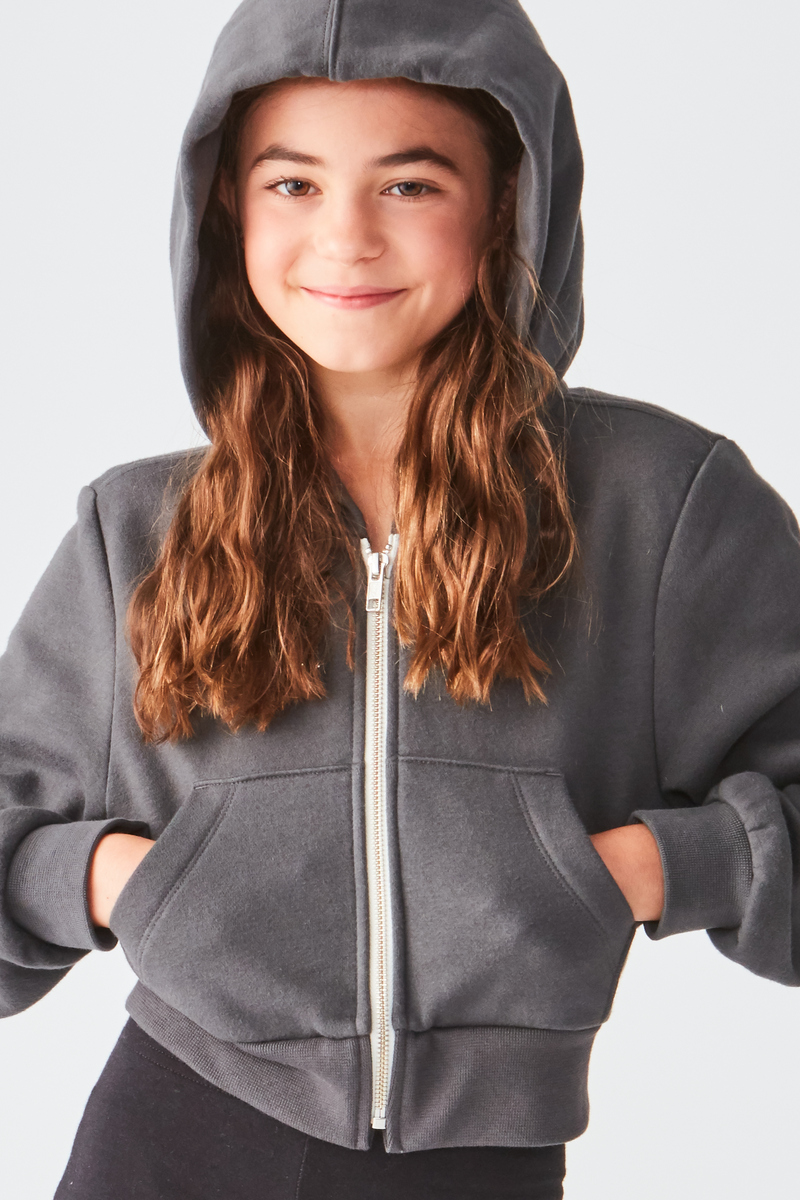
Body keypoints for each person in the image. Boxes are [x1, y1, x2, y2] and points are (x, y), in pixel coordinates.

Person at [1, 0, 799, 1197]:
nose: (346, 238)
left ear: (507, 203)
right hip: (171, 1143)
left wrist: (649, 868)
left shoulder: (662, 508)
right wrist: (116, 879)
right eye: (293, 184)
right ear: (226, 210)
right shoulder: (136, 533)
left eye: (409, 185)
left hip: (483, 1165)